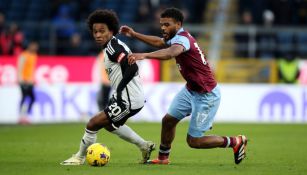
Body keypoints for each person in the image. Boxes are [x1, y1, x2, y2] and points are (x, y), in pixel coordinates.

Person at [120, 7, 247, 165]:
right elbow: (160, 42)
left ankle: (235, 141)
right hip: (190, 90)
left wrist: (144, 55)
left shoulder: (183, 39)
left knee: (194, 141)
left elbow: (170, 53)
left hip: (206, 94)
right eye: (162, 24)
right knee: (168, 121)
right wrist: (134, 34)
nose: (163, 28)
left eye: (167, 24)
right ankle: (163, 158)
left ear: (178, 24)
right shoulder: (175, 37)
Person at [61, 9, 155, 165]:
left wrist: (119, 89)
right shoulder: (112, 46)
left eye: (102, 31)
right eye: (95, 31)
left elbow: (132, 68)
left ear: (111, 30)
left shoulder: (113, 48)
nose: (98, 35)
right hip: (132, 97)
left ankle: (79, 157)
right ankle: (144, 145)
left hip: (128, 99)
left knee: (93, 123)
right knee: (109, 125)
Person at [17, 41, 39, 124]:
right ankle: (21, 117)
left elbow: (32, 69)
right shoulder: (24, 55)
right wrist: (20, 78)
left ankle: (26, 115)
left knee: (32, 98)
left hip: (30, 81)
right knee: (24, 97)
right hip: (24, 80)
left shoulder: (34, 55)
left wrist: (33, 79)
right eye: (34, 46)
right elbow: (20, 67)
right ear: (30, 46)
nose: (36, 48)